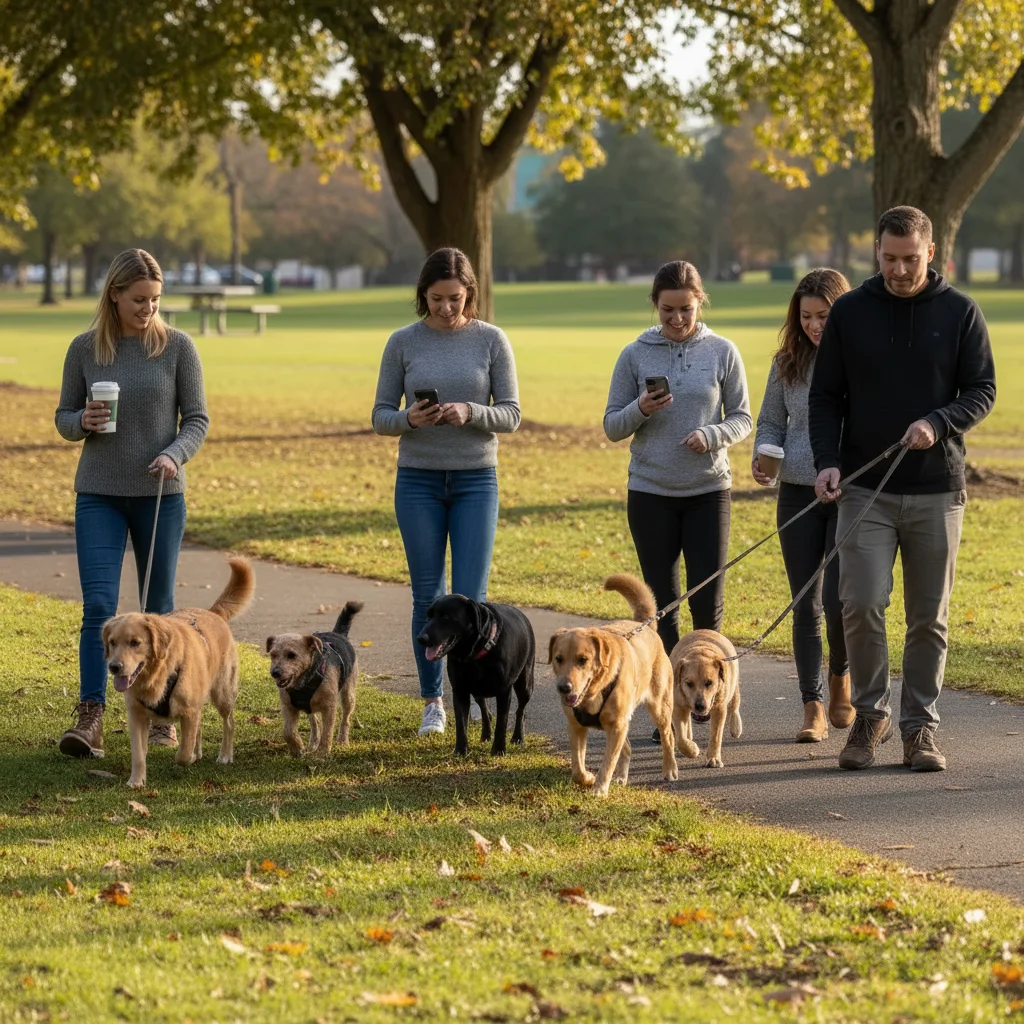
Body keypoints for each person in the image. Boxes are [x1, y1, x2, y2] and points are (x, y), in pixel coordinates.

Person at [809, 206, 996, 772]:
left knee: (927, 617)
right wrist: (827, 462)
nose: (898, 269)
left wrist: (938, 422)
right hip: (864, 487)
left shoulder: (960, 312)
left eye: (909, 259)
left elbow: (982, 390)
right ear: (876, 251)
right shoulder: (850, 312)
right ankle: (870, 717)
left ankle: (920, 727)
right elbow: (825, 398)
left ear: (930, 253)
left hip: (937, 489)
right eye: (888, 258)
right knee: (859, 602)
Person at [54, 248, 210, 758]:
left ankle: (164, 709)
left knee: (159, 613)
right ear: (115, 294)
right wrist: (81, 422)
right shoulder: (84, 349)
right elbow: (62, 418)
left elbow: (198, 421)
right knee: (99, 607)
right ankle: (92, 716)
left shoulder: (178, 348)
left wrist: (174, 453)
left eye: (156, 300)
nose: (148, 309)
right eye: (139, 299)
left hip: (159, 494)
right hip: (98, 492)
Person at [372, 248, 521, 737]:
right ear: (423, 295)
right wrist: (408, 420)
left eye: (455, 298)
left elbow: (513, 415)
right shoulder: (402, 342)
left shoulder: (492, 340)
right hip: (418, 479)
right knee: (427, 596)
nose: (445, 308)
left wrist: (472, 412)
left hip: (476, 478)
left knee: (473, 598)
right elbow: (379, 417)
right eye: (436, 299)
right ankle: (434, 699)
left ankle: (474, 696)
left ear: (469, 294)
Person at [604, 260, 752, 704]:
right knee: (661, 609)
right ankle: (668, 703)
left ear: (699, 302)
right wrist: (641, 409)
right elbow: (612, 426)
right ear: (655, 305)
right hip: (650, 493)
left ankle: (711, 699)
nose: (676, 319)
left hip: (708, 491)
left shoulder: (722, 351)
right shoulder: (634, 354)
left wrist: (713, 434)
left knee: (707, 605)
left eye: (685, 309)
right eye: (667, 310)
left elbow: (743, 417)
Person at [753, 268, 854, 743]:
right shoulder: (787, 362)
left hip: (846, 492)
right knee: (804, 603)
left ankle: (841, 681)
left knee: (838, 601)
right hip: (795, 492)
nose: (815, 326)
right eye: (807, 317)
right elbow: (771, 422)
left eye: (824, 316)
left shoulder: (861, 359)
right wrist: (763, 454)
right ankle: (812, 704)